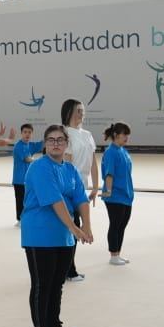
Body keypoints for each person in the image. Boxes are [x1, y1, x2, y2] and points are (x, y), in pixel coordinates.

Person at [22, 124, 94, 327]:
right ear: (45, 144)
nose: (55, 144)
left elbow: (81, 198)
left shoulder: (70, 169)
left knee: (56, 284)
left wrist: (87, 227)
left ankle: (54, 326)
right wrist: (75, 228)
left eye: (60, 140)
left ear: (66, 144)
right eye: (51, 140)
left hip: (63, 236)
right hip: (40, 234)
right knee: (42, 284)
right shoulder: (39, 168)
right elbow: (56, 200)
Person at [61, 99, 98, 282]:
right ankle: (69, 269)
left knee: (74, 228)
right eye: (77, 111)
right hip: (70, 188)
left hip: (83, 185)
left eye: (83, 110)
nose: (81, 114)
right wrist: (71, 190)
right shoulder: (65, 134)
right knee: (72, 227)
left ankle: (69, 267)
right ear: (68, 112)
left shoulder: (87, 134)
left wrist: (96, 186)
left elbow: (93, 162)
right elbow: (66, 165)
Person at [100, 123, 134, 265]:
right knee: (115, 224)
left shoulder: (123, 151)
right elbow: (109, 174)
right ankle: (113, 255)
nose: (127, 137)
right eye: (124, 134)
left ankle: (118, 253)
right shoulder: (111, 152)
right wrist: (108, 191)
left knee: (122, 225)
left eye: (127, 134)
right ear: (115, 135)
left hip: (126, 194)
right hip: (114, 195)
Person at [12, 123, 43, 225]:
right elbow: (27, 159)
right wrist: (40, 161)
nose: (27, 134)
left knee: (29, 200)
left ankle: (27, 217)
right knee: (20, 200)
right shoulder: (18, 146)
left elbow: (41, 144)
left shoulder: (30, 145)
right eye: (25, 132)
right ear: (21, 133)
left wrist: (50, 137)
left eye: (29, 132)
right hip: (19, 180)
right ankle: (20, 220)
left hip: (29, 180)